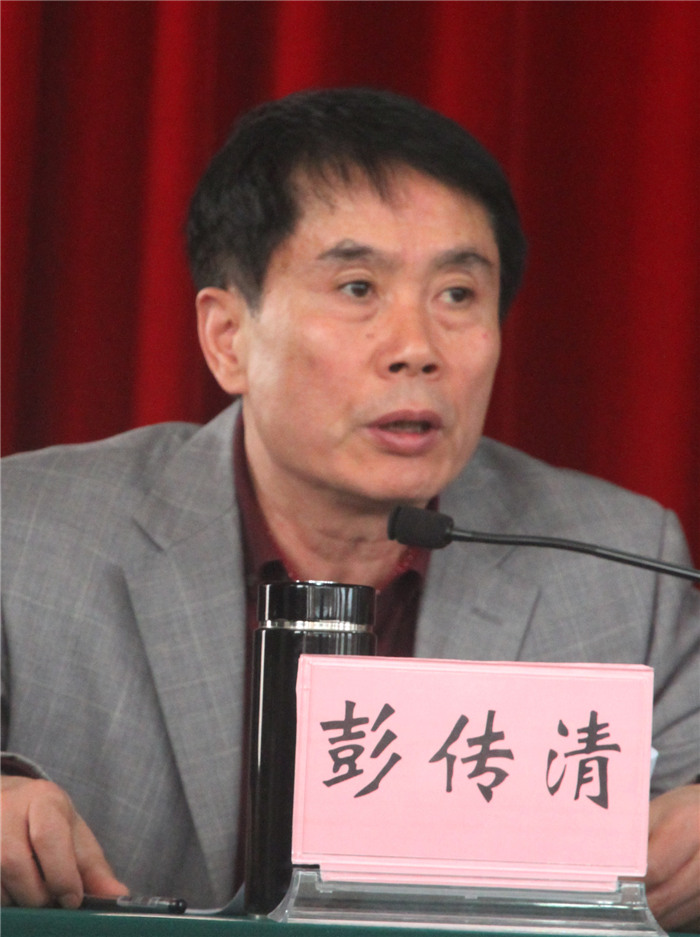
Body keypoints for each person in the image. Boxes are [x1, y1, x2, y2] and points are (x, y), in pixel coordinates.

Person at [2, 88, 698, 928]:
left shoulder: (621, 567)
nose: (417, 349)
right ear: (228, 337)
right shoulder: (27, 537)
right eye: (359, 287)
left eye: (458, 295)